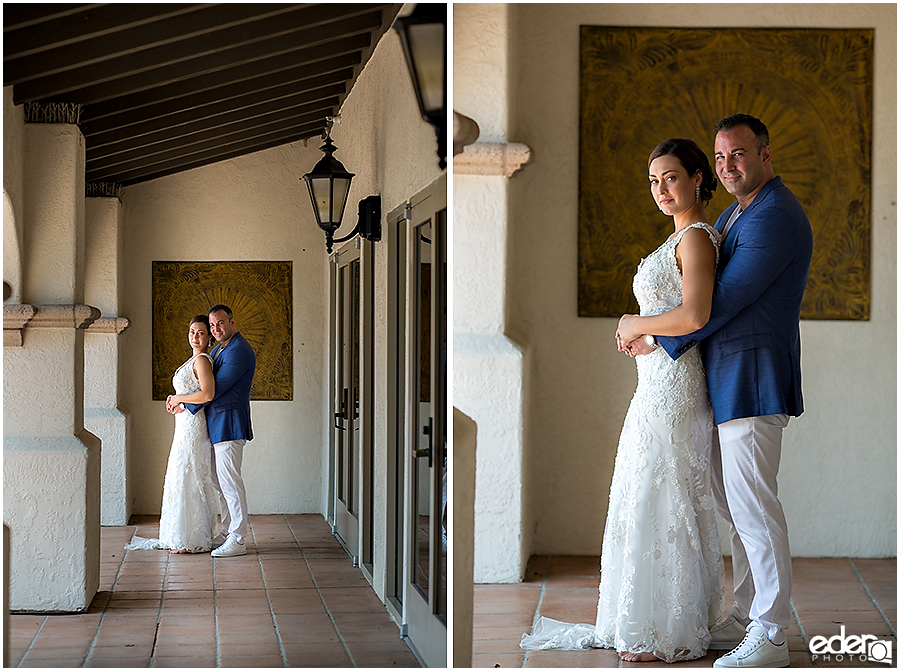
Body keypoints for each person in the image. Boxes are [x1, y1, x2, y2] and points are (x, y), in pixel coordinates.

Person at [521, 138, 724, 662]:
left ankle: (670, 627)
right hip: (654, 382)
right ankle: (639, 618)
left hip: (676, 387)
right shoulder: (676, 238)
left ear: (699, 177)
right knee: (642, 490)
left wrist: (636, 324)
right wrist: (648, 335)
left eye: (671, 177)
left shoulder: (699, 238)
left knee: (665, 493)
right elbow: (678, 315)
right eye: (653, 181)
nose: (660, 189)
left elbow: (697, 314)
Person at [629, 115, 813, 669]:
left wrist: (651, 334)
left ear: (765, 154)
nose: (729, 166)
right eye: (722, 157)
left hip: (754, 381)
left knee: (755, 508)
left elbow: (720, 304)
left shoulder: (775, 218)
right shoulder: (737, 214)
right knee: (737, 507)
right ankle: (745, 613)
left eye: (739, 154)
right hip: (723, 383)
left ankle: (772, 633)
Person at [125, 316, 222, 554]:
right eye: (191, 332)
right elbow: (193, 392)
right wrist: (176, 403)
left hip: (194, 426)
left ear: (209, 336)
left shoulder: (202, 361)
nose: (195, 337)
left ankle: (191, 537)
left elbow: (207, 394)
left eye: (200, 332)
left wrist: (178, 399)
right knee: (180, 472)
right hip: (184, 423)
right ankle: (179, 533)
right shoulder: (192, 359)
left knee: (189, 473)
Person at [176, 304, 256, 558]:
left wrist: (181, 400)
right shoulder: (222, 349)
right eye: (212, 325)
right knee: (220, 482)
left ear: (232, 322)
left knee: (231, 483)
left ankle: (239, 539)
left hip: (230, 425)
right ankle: (227, 532)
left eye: (220, 323)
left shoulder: (239, 350)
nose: (216, 329)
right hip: (216, 426)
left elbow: (215, 390)